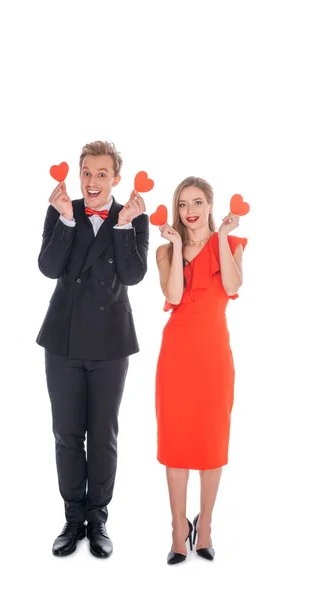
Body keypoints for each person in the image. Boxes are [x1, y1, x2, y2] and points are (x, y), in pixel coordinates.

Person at [36, 141, 149, 558]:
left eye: (102, 174)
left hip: (110, 342)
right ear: (79, 175)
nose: (93, 181)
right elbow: (49, 268)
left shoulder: (133, 217)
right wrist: (66, 220)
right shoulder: (63, 209)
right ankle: (72, 517)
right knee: (67, 435)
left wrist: (124, 226)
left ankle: (97, 518)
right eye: (87, 173)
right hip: (63, 340)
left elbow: (133, 274)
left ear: (115, 178)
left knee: (103, 435)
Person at [155, 176, 248, 564]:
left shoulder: (232, 244)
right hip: (177, 357)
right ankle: (179, 529)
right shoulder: (164, 250)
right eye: (182, 204)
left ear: (210, 205)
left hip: (213, 359)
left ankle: (205, 525)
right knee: (176, 446)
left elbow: (231, 285)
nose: (189, 212)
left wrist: (223, 238)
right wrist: (177, 246)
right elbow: (174, 295)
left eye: (196, 203)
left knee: (211, 446)